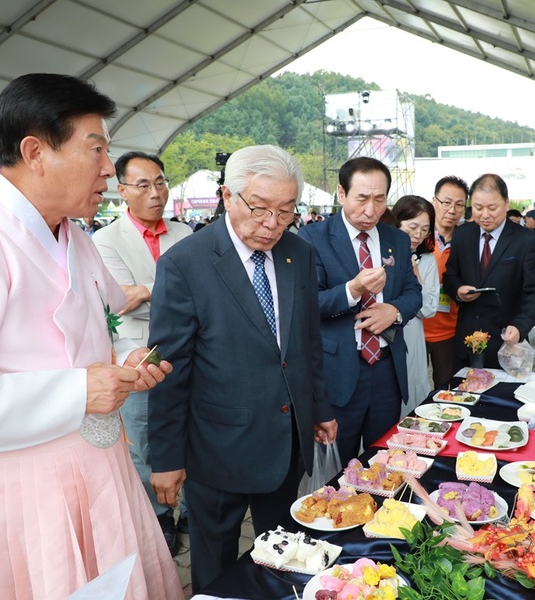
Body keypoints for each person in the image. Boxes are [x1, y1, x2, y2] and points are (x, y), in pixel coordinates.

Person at [0, 73, 182, 599]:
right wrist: (77, 390)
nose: (109, 168)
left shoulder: (76, 239)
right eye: (96, 148)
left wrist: (129, 361)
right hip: (15, 490)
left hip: (100, 470)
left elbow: (99, 331)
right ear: (35, 151)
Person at [147, 145, 337, 591]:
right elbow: (170, 368)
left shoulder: (299, 253)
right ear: (228, 196)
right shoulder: (185, 264)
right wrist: (168, 458)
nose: (272, 224)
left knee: (282, 557)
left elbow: (308, 341)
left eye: (286, 210)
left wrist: (321, 408)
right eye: (260, 208)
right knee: (214, 566)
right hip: (217, 447)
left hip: (284, 442)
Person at [91, 151, 193, 554]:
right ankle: (158, 519)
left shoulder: (185, 234)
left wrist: (146, 289)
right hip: (138, 357)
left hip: (187, 354)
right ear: (122, 191)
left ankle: (185, 511)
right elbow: (119, 301)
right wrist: (170, 291)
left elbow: (188, 297)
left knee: (188, 433)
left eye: (161, 182)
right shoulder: (105, 239)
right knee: (144, 441)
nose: (156, 192)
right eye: (144, 185)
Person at [298, 157, 422, 466]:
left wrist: (392, 311)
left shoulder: (397, 239)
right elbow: (306, 305)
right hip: (339, 372)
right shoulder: (312, 238)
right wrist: (352, 291)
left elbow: (414, 294)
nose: (370, 210)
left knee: (383, 463)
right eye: (362, 198)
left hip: (386, 371)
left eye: (379, 199)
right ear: (341, 193)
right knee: (337, 467)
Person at [443, 174, 535, 370]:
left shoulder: (526, 241)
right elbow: (450, 276)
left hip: (505, 343)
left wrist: (520, 326)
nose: (484, 215)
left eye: (492, 208)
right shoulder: (463, 235)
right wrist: (458, 290)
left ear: (506, 204)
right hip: (466, 342)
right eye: (478, 208)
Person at [392, 195, 440, 414]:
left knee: (411, 389)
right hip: (382, 333)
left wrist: (417, 281)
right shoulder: (382, 252)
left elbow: (429, 309)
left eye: (425, 229)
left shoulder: (427, 260)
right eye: (412, 227)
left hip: (412, 334)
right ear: (397, 222)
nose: (418, 235)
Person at [423, 176, 469, 388]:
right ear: (434, 201)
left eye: (459, 205)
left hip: (450, 332)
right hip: (414, 330)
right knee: (412, 391)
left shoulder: (468, 241)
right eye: (447, 202)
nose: (452, 210)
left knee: (447, 390)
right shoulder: (417, 236)